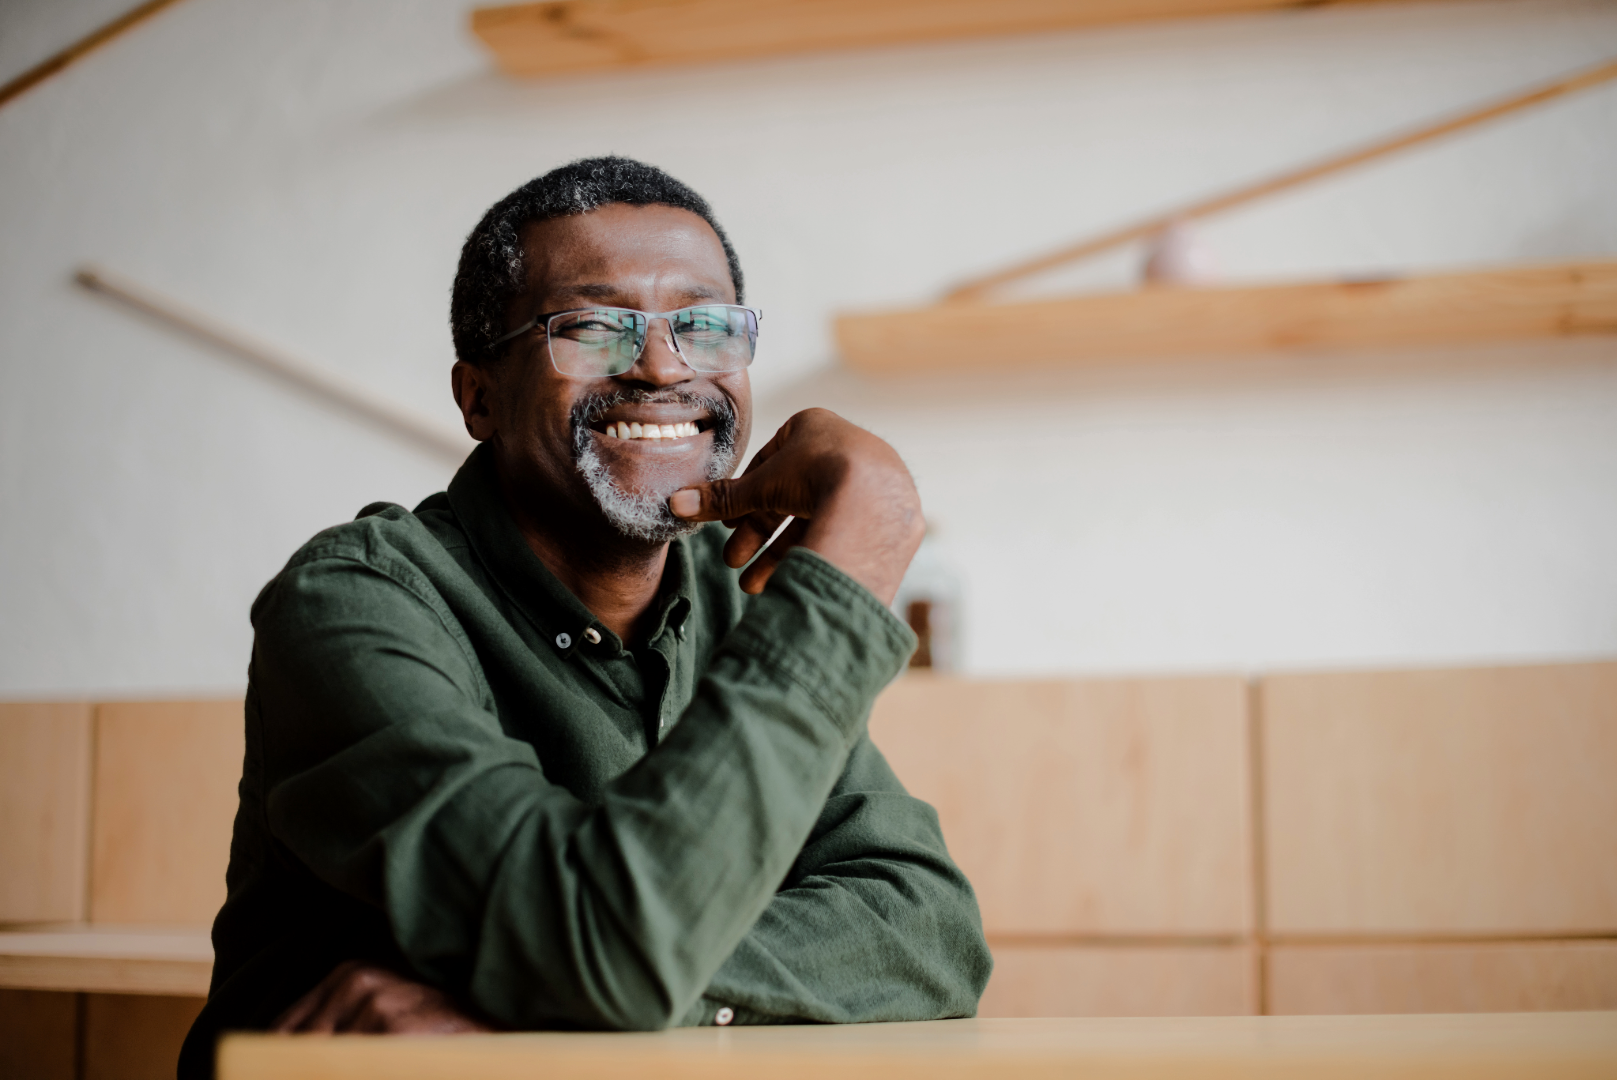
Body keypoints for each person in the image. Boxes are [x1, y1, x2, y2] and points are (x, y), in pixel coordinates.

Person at [178, 156, 991, 1075]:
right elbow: (601, 951)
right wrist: (848, 566)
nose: (660, 367)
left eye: (704, 325)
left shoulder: (734, 597)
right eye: (595, 327)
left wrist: (573, 1001)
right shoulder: (353, 602)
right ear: (478, 397)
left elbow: (928, 929)